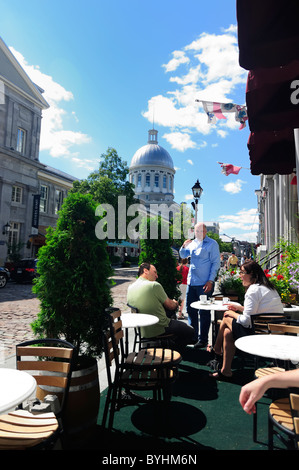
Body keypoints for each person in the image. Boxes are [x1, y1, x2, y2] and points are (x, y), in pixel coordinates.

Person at [210, 259, 284, 380]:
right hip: (272, 333)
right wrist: (239, 307)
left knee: (227, 317)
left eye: (243, 272)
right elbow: (258, 312)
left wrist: (233, 313)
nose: (240, 276)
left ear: (253, 275)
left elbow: (246, 321)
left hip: (258, 335)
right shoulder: (269, 288)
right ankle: (225, 370)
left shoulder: (253, 290)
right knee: (228, 332)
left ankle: (216, 350)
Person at [127, 262, 196, 352]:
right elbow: (170, 306)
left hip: (141, 329)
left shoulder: (130, 287)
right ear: (145, 271)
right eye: (155, 272)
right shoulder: (154, 285)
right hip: (159, 327)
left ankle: (168, 347)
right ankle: (174, 352)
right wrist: (175, 303)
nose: (157, 276)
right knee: (191, 332)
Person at [179, 223, 220, 348]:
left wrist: (211, 281)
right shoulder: (193, 243)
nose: (198, 233)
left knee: (204, 312)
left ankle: (203, 339)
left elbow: (215, 263)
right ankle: (194, 336)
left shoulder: (212, 244)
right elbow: (183, 255)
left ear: (206, 231)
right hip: (192, 283)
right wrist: (183, 246)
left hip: (204, 284)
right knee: (190, 310)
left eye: (201, 230)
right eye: (196, 231)